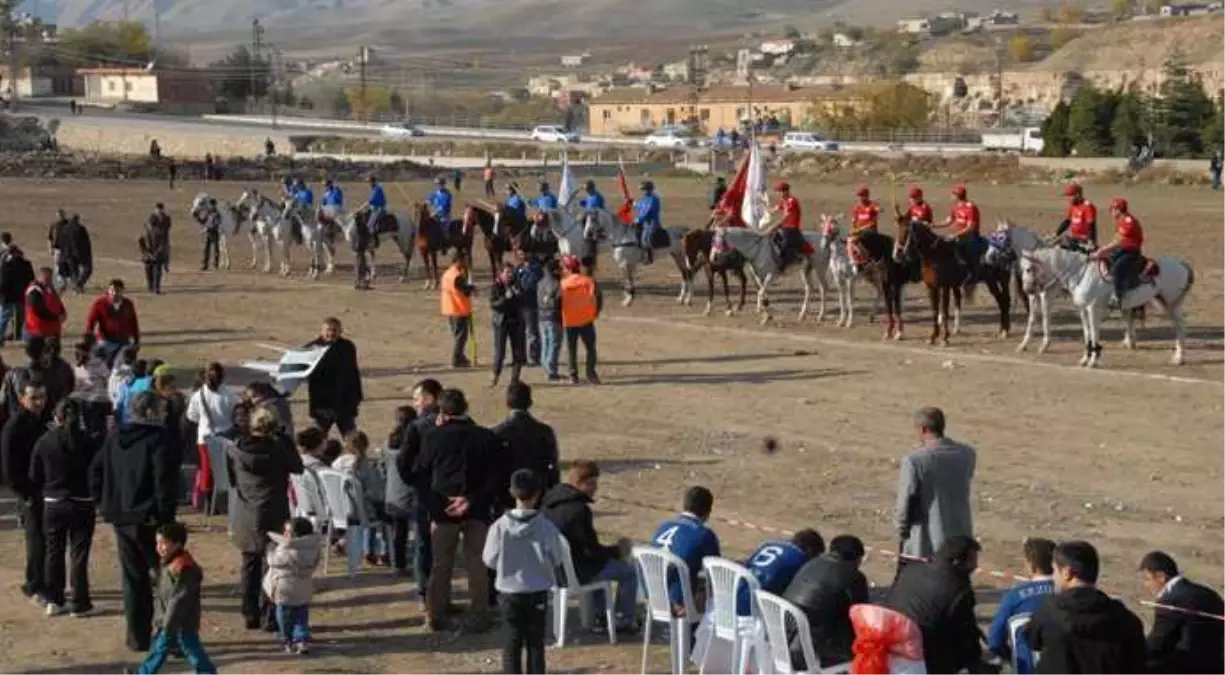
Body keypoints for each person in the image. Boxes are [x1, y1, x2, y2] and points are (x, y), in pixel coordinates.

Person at [91, 391, 179, 652]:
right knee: (168, 578)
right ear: (151, 412)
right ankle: (168, 637)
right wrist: (166, 521)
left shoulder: (115, 437)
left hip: (122, 517)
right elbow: (164, 482)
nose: (164, 414)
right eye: (160, 410)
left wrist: (105, 503)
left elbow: (95, 470)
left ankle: (137, 637)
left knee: (133, 579)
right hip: (150, 519)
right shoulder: (158, 439)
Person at [414, 388, 500, 632]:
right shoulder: (484, 436)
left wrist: (434, 501)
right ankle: (480, 613)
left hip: (443, 506)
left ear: (442, 411)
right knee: (477, 562)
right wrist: (471, 499)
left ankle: (435, 613)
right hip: (477, 506)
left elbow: (422, 472)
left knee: (441, 562)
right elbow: (494, 476)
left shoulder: (432, 436)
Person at [483, 469, 566, 675]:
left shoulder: (499, 527)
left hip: (509, 592)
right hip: (537, 590)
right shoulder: (546, 527)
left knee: (511, 644)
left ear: (511, 492)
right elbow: (557, 557)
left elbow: (489, 559)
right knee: (535, 645)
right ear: (538, 494)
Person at [228, 405, 302, 630]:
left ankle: (250, 612)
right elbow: (298, 467)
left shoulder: (236, 449)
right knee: (273, 565)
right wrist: (285, 441)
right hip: (274, 510)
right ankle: (270, 615)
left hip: (246, 511)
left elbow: (233, 480)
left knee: (250, 563)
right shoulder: (279, 449)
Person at [541, 460, 638, 631]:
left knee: (601, 567)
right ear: (579, 483)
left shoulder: (548, 504)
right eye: (591, 484)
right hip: (575, 573)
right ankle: (623, 619)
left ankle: (600, 614)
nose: (595, 488)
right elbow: (592, 552)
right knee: (628, 572)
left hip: (553, 571)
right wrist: (618, 550)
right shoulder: (579, 510)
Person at [1026, 540, 1146, 675]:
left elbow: (1031, 640)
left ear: (1067, 573)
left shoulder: (1049, 611)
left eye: (1054, 570)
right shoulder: (1125, 619)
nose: (1053, 577)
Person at [30, 399, 99, 617]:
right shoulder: (88, 441)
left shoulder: (45, 441)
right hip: (82, 502)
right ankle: (80, 602)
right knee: (79, 554)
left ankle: (55, 599)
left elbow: (35, 475)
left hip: (53, 503)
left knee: (54, 552)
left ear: (55, 417)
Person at [123, 522, 216, 675]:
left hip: (180, 622)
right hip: (169, 621)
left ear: (177, 544)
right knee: (159, 651)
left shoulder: (184, 569)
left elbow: (178, 602)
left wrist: (168, 626)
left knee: (192, 653)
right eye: (157, 542)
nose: (159, 547)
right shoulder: (170, 562)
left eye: (164, 543)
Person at [886, 535, 984, 675]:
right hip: (925, 655)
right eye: (972, 561)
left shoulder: (911, 570)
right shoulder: (958, 590)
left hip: (890, 644)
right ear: (957, 562)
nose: (975, 566)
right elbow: (966, 637)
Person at [894, 406, 976, 565]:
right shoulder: (967, 454)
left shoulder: (914, 460)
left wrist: (902, 530)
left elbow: (905, 501)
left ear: (923, 429)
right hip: (960, 536)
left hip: (926, 541)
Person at [782, 534, 870, 669]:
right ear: (857, 558)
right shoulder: (854, 576)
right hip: (812, 646)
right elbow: (861, 617)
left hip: (783, 633)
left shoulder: (811, 563)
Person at [1138, 551, 1225, 675]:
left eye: (1147, 579)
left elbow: (1157, 644)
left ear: (1161, 577)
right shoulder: (1208, 593)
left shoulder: (1170, 601)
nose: (1146, 585)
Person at [394, 378, 442, 600]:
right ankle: (439, 592)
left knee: (424, 543)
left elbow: (403, 462)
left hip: (425, 492)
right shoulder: (456, 422)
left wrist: (414, 480)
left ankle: (425, 591)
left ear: (429, 398)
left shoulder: (418, 427)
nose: (414, 404)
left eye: (417, 398)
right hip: (449, 492)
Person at [2, 380, 50, 604]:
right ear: (22, 399)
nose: (39, 402)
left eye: (42, 397)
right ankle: (34, 583)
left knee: (45, 539)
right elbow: (9, 470)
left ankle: (42, 580)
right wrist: (26, 495)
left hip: (43, 490)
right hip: (30, 493)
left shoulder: (40, 421)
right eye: (34, 398)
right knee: (36, 540)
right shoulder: (14, 427)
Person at [986, 538, 1057, 674]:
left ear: (1031, 566)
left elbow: (995, 641)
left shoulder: (1013, 597)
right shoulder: (1069, 595)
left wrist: (1010, 656)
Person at [652, 486, 720, 614]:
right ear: (708, 511)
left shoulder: (663, 526)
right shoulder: (704, 534)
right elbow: (715, 575)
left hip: (653, 596)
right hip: (681, 602)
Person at [263, 517, 322, 655]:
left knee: (284, 616)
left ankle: (286, 639)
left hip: (285, 589)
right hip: (303, 588)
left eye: (287, 532)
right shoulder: (313, 548)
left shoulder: (287, 549)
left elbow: (272, 560)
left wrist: (270, 549)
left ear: (297, 536)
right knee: (301, 616)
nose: (284, 535)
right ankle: (301, 639)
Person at [333, 430, 388, 565]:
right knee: (384, 510)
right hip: (362, 513)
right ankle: (382, 551)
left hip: (340, 510)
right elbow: (376, 494)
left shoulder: (337, 463)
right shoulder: (367, 466)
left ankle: (344, 541)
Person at [739, 529, 825, 615]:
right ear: (809, 550)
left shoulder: (768, 545)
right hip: (755, 610)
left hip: (735, 596)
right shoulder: (800, 558)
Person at [493, 382, 559, 491]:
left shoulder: (497, 433)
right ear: (530, 403)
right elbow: (553, 466)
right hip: (538, 490)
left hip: (506, 492)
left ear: (507, 403)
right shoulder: (544, 431)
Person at [185, 363, 236, 506]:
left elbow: (191, 416)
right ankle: (225, 501)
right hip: (225, 436)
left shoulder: (198, 395)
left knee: (207, 469)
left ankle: (208, 503)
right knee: (225, 469)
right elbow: (236, 413)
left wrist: (204, 421)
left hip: (205, 437)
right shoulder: (229, 394)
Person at [303, 317, 363, 435]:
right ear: (321, 331)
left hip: (345, 402)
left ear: (340, 331)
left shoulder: (348, 347)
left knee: (352, 437)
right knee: (316, 438)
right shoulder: (312, 348)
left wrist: (357, 396)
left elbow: (353, 372)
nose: (331, 333)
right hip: (322, 404)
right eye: (328, 330)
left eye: (334, 330)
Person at [383, 406, 418, 576]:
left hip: (392, 496)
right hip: (410, 497)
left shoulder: (387, 444)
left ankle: (399, 563)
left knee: (399, 531)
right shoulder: (413, 444)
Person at [1093, 198, 1146, 307]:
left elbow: (1118, 241)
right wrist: (1103, 250)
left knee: (1116, 268)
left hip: (1131, 251)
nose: (1111, 212)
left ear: (1119, 210)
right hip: (1121, 249)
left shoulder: (1128, 222)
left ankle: (1117, 296)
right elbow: (1115, 239)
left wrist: (1102, 250)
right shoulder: (1120, 221)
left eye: (1113, 210)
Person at [560, 255, 602, 385]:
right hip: (586, 320)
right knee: (590, 348)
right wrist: (595, 313)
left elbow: (557, 303)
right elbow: (598, 298)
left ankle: (573, 376)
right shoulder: (589, 281)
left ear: (567, 268)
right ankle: (591, 374)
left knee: (571, 350)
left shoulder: (562, 284)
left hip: (568, 321)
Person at [935, 184, 983, 283]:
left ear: (958, 196)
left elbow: (971, 227)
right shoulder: (955, 207)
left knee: (967, 250)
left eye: (953, 195)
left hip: (968, 237)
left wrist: (956, 235)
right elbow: (949, 220)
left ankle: (971, 273)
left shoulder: (970, 207)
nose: (951, 197)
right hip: (955, 235)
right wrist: (933, 225)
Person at [489, 262, 526, 387]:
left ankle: (515, 379)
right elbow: (493, 304)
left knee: (518, 352)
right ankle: (495, 375)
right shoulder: (496, 286)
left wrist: (517, 294)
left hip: (515, 321)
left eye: (511, 272)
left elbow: (523, 300)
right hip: (501, 322)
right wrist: (505, 298)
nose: (509, 275)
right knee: (500, 352)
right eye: (507, 273)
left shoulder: (517, 284)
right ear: (501, 273)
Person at [85, 279, 140, 362]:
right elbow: (91, 321)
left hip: (124, 341)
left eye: (118, 291)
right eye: (112, 290)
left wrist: (136, 340)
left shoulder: (128, 304)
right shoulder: (99, 303)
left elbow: (133, 322)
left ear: (122, 291)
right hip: (105, 340)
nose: (114, 293)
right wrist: (88, 339)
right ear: (108, 290)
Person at [440, 252, 476, 368]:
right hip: (458, 309)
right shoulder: (457, 276)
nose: (465, 263)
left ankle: (460, 356)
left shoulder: (447, 274)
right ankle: (456, 358)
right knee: (461, 336)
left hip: (449, 308)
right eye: (464, 260)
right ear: (458, 261)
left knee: (458, 335)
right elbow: (464, 290)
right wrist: (472, 288)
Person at [71, 340, 111, 440]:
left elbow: (108, 379)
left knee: (98, 429)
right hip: (84, 401)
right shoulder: (76, 367)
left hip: (98, 401)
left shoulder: (98, 364)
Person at [0, 242, 34, 346]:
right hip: (22, 296)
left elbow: (3, 282)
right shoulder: (27, 264)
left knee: (4, 318)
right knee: (23, 318)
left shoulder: (6, 266)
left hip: (8, 297)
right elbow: (31, 279)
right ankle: (22, 337)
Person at [767, 180, 805, 269]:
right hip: (784, 226)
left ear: (786, 191)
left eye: (780, 191)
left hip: (791, 227)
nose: (778, 194)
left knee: (785, 243)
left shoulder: (791, 201)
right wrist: (761, 207)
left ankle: (788, 261)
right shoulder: (783, 200)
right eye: (778, 192)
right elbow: (773, 210)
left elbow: (786, 216)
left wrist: (775, 226)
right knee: (771, 238)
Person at [536, 258, 563, 381]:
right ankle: (551, 370)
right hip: (553, 316)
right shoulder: (557, 284)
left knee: (546, 342)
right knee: (554, 343)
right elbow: (557, 301)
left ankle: (545, 364)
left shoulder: (540, 282)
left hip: (541, 316)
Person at [515, 250, 543, 366]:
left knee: (532, 333)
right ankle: (521, 357)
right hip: (520, 304)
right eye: (520, 254)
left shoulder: (536, 268)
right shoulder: (519, 268)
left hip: (531, 305)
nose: (522, 256)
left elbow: (530, 284)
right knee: (519, 332)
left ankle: (534, 357)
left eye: (524, 254)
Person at [25, 266, 66, 341]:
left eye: (51, 278)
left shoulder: (49, 288)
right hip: (38, 329)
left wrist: (62, 312)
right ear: (40, 277)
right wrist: (56, 317)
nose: (50, 281)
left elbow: (57, 302)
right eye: (47, 278)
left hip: (53, 328)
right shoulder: (34, 291)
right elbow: (38, 309)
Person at [1054, 183, 1098, 251]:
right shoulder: (1072, 206)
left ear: (1077, 195)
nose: (1067, 199)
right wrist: (1056, 233)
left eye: (1069, 196)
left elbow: (1091, 225)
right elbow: (1067, 221)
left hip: (1084, 240)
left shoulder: (1088, 207)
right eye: (1067, 196)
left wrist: (1091, 241)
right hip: (1073, 237)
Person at [847, 185, 882, 270]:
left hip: (870, 230)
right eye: (859, 196)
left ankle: (865, 260)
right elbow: (854, 222)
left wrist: (878, 209)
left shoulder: (872, 205)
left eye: (862, 196)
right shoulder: (856, 208)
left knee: (854, 240)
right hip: (859, 231)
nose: (860, 198)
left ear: (867, 196)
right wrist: (854, 230)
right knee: (849, 239)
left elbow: (877, 209)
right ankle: (854, 260)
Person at [140, 206, 170, 294]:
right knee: (157, 272)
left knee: (149, 272)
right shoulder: (160, 233)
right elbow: (162, 245)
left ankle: (150, 288)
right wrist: (155, 254)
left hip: (148, 255)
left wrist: (146, 253)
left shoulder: (146, 232)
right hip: (157, 255)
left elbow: (141, 243)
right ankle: (156, 288)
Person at [632, 180, 662, 264]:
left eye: (644, 189)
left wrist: (638, 219)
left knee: (645, 239)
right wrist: (634, 204)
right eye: (642, 190)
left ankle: (649, 257)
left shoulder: (653, 199)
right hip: (644, 222)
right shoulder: (644, 199)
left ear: (650, 190)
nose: (643, 191)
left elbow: (647, 212)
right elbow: (640, 206)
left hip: (651, 222)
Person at [199, 198, 222, 272]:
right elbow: (203, 221)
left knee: (216, 249)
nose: (211, 206)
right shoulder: (208, 212)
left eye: (212, 205)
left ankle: (215, 265)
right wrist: (197, 217)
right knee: (206, 249)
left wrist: (208, 228)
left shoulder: (217, 214)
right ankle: (205, 265)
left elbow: (217, 224)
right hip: (208, 233)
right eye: (211, 205)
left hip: (214, 233)